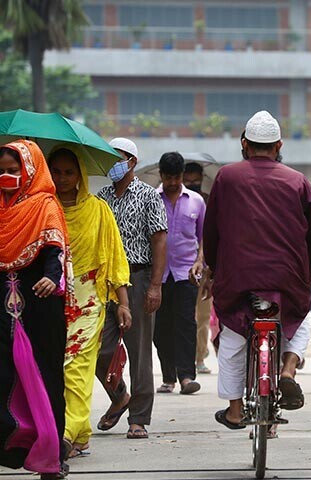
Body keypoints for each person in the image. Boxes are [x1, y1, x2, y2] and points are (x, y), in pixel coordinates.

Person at [205, 110, 311, 428]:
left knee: (232, 336)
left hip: (237, 276)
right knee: (299, 322)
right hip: (287, 276)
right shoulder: (297, 180)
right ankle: (287, 369)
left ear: (244, 144)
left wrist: (212, 268)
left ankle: (234, 410)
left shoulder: (226, 177)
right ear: (278, 146)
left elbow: (212, 229)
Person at [48, 147, 130, 460]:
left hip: (88, 299)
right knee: (55, 366)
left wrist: (123, 304)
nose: (63, 178)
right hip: (51, 299)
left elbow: (114, 258)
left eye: (69, 172)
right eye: (56, 171)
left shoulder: (98, 210)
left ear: (80, 175)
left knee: (77, 366)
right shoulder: (43, 208)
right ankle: (79, 432)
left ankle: (67, 433)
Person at [0, 140, 76, 479]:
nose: (7, 175)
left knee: (47, 377)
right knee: (3, 377)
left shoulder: (45, 205)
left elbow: (55, 252)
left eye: (14, 171)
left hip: (40, 304)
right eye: (2, 170)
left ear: (30, 171)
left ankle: (51, 457)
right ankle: (10, 448)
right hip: (1, 305)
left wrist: (51, 278)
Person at [95, 137, 168, 440]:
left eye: (119, 158)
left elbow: (160, 239)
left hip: (138, 278)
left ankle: (138, 417)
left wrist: (155, 285)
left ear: (132, 161)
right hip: (106, 282)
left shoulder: (149, 195)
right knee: (99, 348)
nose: (113, 164)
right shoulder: (101, 198)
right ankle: (119, 395)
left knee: (139, 352)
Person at [153, 152, 205, 395]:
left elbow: (203, 238)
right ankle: (168, 377)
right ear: (161, 175)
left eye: (177, 177)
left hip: (187, 273)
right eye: (168, 177)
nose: (173, 182)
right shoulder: (151, 200)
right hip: (158, 275)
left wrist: (200, 261)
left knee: (186, 323)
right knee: (161, 327)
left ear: (182, 175)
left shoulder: (196, 201)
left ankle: (186, 376)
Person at [183, 162, 213, 375]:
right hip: (180, 268)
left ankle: (200, 357)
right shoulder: (177, 200)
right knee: (184, 316)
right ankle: (184, 357)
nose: (192, 184)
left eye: (196, 180)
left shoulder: (210, 201)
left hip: (205, 267)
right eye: (189, 180)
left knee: (202, 316)